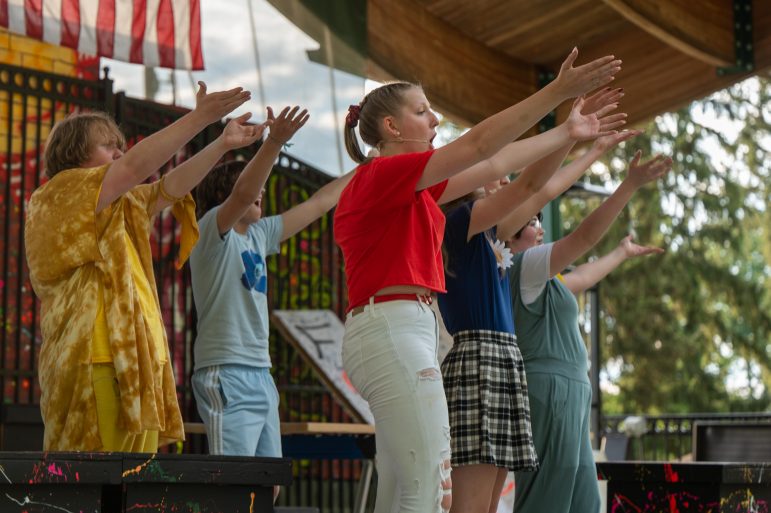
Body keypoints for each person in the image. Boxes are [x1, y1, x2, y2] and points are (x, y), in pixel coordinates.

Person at [333, 47, 622, 513]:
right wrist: (556, 93)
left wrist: (567, 131)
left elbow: (495, 166)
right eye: (422, 110)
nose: (434, 120)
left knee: (404, 483)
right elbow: (481, 148)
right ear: (391, 128)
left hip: (407, 328)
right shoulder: (384, 173)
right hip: (393, 326)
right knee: (426, 487)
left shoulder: (414, 193)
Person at [437, 89, 640, 513]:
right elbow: (536, 189)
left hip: (501, 360)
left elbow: (538, 190)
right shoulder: (462, 226)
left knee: (489, 505)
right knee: (475, 506)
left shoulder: (489, 242)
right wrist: (571, 135)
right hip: (481, 359)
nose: (503, 179)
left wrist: (584, 144)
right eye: (493, 174)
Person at [25, 82, 256, 452]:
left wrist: (222, 144)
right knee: (96, 488)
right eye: (108, 145)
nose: (119, 152)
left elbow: (170, 187)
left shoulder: (120, 202)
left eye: (120, 145)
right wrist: (199, 118)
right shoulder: (60, 193)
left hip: (135, 362)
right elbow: (134, 166)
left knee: (135, 487)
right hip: (94, 360)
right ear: (74, 152)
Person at [507, 150, 673, 513]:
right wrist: (628, 185)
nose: (542, 228)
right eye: (534, 221)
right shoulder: (523, 267)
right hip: (550, 392)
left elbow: (581, 276)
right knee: (547, 499)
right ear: (511, 233)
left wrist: (620, 253)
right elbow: (582, 239)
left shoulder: (543, 279)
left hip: (568, 393)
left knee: (582, 499)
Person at [190, 106, 353, 467]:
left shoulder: (260, 234)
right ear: (223, 192)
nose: (261, 192)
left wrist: (370, 167)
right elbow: (243, 197)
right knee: (237, 485)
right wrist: (274, 143)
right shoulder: (210, 232)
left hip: (262, 374)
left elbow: (320, 201)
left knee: (268, 486)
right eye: (254, 185)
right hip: (226, 372)